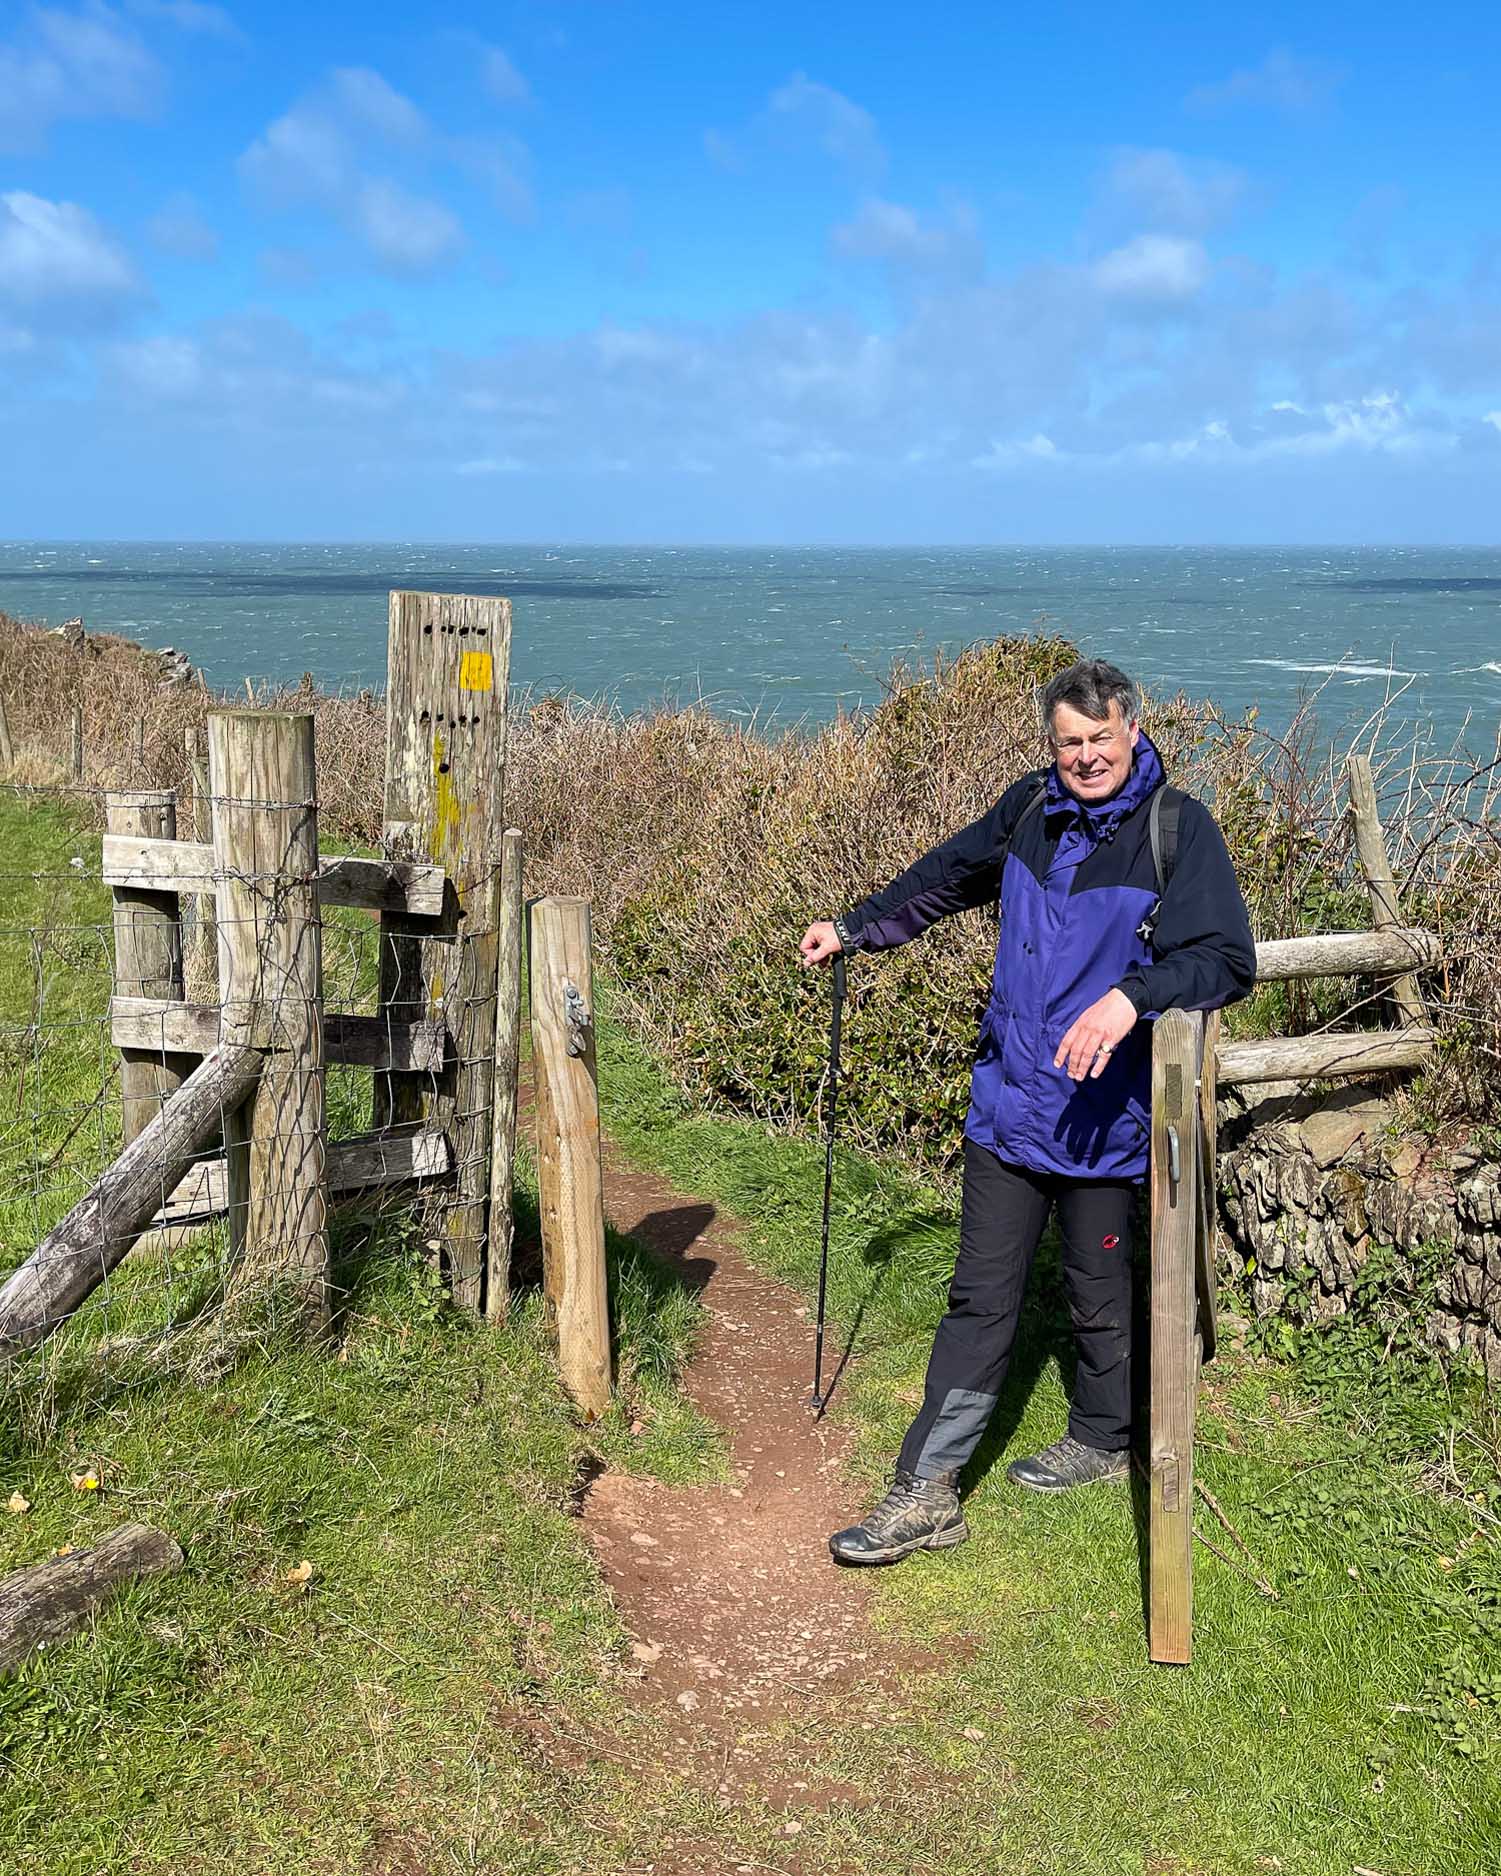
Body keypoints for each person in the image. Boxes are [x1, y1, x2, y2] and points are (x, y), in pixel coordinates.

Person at [798, 658, 1255, 1566]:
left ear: (1132, 729)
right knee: (979, 1300)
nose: (1084, 757)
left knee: (1097, 1291)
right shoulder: (1029, 810)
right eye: (1068, 743)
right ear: (1051, 745)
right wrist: (857, 926)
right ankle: (925, 1494)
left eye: (1099, 739)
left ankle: (1100, 1435)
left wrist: (1135, 995)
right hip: (1008, 1105)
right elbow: (948, 875)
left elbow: (1224, 960)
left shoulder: (1177, 831)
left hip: (1106, 1118)